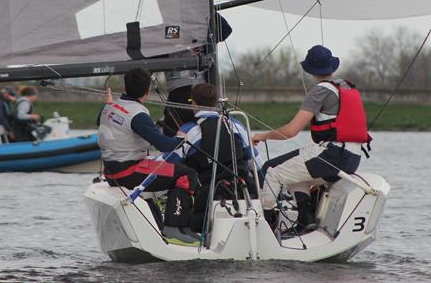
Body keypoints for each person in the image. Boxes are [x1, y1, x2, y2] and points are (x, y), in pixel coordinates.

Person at [252, 45, 371, 233]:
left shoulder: (319, 92)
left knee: (271, 171)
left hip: (332, 155)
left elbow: (291, 131)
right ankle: (305, 218)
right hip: (352, 158)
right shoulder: (345, 86)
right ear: (332, 65)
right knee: (291, 170)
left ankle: (264, 225)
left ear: (310, 69)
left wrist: (263, 136)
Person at [98, 67, 202, 246]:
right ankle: (173, 228)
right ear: (148, 90)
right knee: (186, 174)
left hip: (111, 171)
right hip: (127, 172)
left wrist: (106, 103)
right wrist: (181, 140)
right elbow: (162, 145)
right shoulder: (137, 113)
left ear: (126, 86)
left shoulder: (109, 106)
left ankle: (172, 220)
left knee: (169, 169)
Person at [172, 83, 263, 232]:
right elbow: (255, 161)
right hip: (240, 191)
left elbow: (171, 162)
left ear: (193, 103)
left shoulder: (188, 130)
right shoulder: (236, 125)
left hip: (205, 197)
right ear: (215, 102)